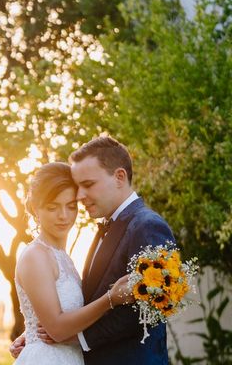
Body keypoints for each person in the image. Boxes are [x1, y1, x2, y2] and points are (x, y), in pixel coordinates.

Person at [10, 136, 175, 365]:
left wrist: (75, 338)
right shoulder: (105, 229)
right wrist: (35, 331)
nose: (79, 196)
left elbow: (147, 310)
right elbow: (84, 302)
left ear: (119, 177)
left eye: (87, 185)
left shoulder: (147, 225)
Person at [10, 161, 132, 364]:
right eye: (52, 207)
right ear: (35, 208)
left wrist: (29, 332)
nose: (63, 216)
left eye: (71, 206)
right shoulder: (35, 256)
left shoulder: (62, 257)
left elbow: (55, 317)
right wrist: (110, 299)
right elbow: (56, 329)